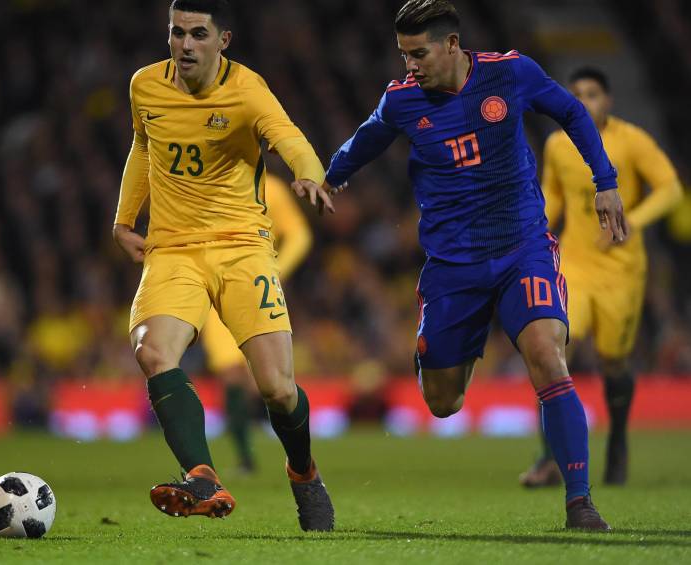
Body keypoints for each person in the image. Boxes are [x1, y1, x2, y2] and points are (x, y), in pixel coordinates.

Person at [296, 0, 627, 530]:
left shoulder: (510, 73)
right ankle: (454, 349)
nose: (409, 65)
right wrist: (327, 176)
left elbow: (571, 111)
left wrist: (605, 182)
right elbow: (366, 140)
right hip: (453, 267)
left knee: (546, 352)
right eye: (403, 55)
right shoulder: (402, 102)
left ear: (452, 45)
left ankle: (580, 502)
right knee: (443, 402)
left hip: (523, 247)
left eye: (418, 53)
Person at [113, 0, 334, 531]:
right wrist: (124, 219)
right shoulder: (145, 85)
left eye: (197, 34)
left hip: (242, 246)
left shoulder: (247, 90)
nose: (185, 44)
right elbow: (143, 147)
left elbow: (290, 138)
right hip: (174, 249)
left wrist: (309, 173)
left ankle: (303, 472)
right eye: (176, 32)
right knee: (153, 350)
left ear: (223, 39)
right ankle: (203, 474)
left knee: (278, 389)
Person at [519, 67, 682, 488]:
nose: (585, 101)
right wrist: (535, 228)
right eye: (576, 95)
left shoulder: (632, 141)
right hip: (574, 264)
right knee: (554, 351)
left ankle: (619, 441)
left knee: (613, 359)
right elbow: (552, 192)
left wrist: (634, 220)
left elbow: (670, 189)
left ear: (608, 100)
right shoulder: (558, 144)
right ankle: (550, 458)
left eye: (592, 94)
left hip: (622, 270)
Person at [200, 173, 312, 473]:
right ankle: (245, 458)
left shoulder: (270, 188)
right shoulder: (203, 184)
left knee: (271, 384)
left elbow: (299, 235)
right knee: (231, 373)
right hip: (217, 289)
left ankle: (299, 458)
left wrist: (278, 271)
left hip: (258, 287)